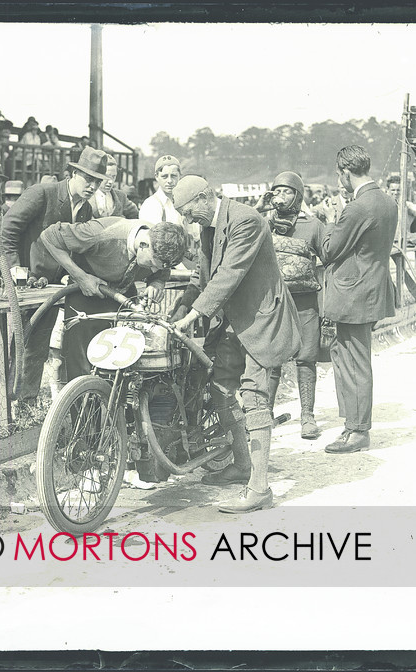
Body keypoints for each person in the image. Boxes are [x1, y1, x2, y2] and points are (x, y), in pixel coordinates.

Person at [170, 176, 301, 513]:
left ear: (203, 197)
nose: (187, 220)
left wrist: (196, 312)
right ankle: (242, 464)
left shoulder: (246, 220)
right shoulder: (208, 226)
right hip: (232, 320)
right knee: (221, 389)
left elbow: (229, 273)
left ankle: (259, 489)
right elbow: (203, 273)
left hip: (261, 319)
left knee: (254, 396)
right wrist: (183, 305)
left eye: (188, 212)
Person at [0, 146, 109, 402]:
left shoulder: (85, 210)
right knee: (15, 344)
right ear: (72, 173)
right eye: (88, 179)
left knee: (37, 346)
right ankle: (4, 403)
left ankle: (25, 403)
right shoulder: (42, 194)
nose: (92, 186)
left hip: (47, 287)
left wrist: (67, 274)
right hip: (20, 282)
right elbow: (7, 231)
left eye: (97, 182)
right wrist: (14, 271)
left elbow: (73, 247)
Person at [41, 217, 185, 381]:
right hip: (86, 295)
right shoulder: (101, 233)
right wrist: (81, 277)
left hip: (122, 297)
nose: (153, 269)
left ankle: (116, 405)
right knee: (81, 366)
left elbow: (161, 270)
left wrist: (157, 282)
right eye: (152, 264)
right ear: (143, 245)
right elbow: (50, 236)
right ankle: (79, 404)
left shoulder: (160, 239)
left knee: (124, 365)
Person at [322, 146, 397, 454]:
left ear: (345, 172)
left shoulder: (356, 208)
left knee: (353, 362)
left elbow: (329, 250)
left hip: (353, 295)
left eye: (339, 175)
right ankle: (352, 426)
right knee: (350, 358)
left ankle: (358, 431)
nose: (339, 180)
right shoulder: (386, 201)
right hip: (370, 291)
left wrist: (330, 218)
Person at [256, 172, 326, 439]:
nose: (281, 198)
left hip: (306, 302)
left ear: (298, 195)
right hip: (274, 301)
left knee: (306, 359)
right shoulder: (264, 223)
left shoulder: (313, 226)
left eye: (287, 192)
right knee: (272, 359)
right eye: (277, 192)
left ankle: (307, 416)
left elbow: (329, 258)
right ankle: (267, 414)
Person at [89, 155, 139, 219]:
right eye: (107, 176)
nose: (111, 181)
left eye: (113, 176)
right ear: (97, 175)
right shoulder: (87, 195)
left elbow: (136, 215)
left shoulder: (120, 196)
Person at [138, 155, 182, 226]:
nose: (169, 180)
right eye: (164, 176)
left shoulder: (185, 202)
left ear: (180, 176)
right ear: (156, 177)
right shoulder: (151, 205)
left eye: (173, 176)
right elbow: (153, 235)